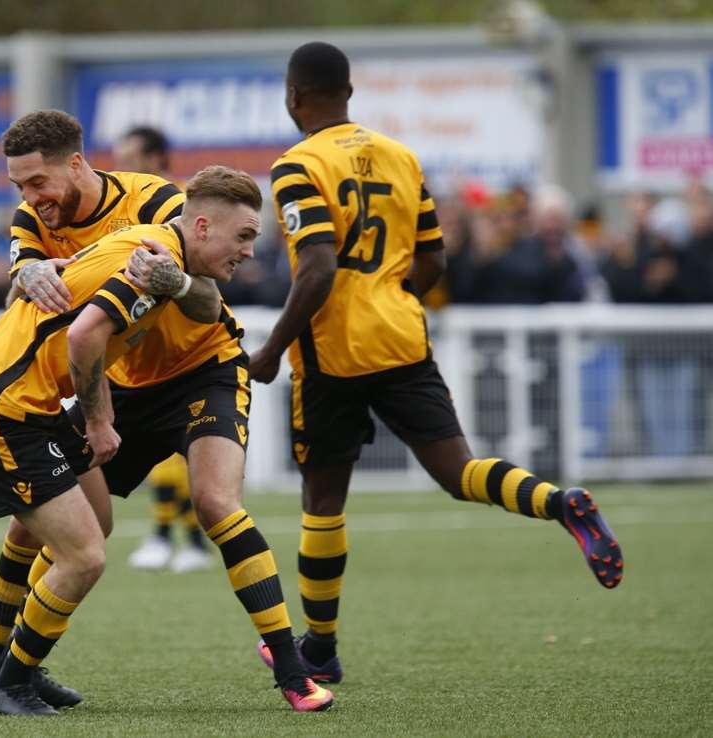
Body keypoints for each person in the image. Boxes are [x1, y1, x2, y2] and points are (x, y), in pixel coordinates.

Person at [0, 112, 333, 714]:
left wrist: (173, 281)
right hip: (118, 383)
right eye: (20, 188)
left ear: (77, 165)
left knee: (216, 502)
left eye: (38, 183)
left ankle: (293, 672)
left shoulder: (159, 203)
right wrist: (22, 272)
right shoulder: (31, 220)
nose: (31, 200)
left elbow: (205, 293)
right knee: (47, 529)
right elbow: (32, 304)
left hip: (200, 368)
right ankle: (1, 673)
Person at [249, 42, 625, 684]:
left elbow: (316, 268)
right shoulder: (401, 157)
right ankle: (561, 502)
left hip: (333, 355)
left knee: (323, 500)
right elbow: (434, 261)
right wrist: (388, 301)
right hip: (402, 338)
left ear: (294, 97)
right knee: (459, 470)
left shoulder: (296, 166)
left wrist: (272, 348)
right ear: (349, 92)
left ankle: (321, 647)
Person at [112, 125, 212, 574]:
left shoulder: (181, 203)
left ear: (154, 158)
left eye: (129, 155)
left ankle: (171, 535)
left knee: (176, 449)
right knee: (167, 452)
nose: (120, 163)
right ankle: (182, 538)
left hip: (183, 339)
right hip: (141, 339)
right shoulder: (127, 204)